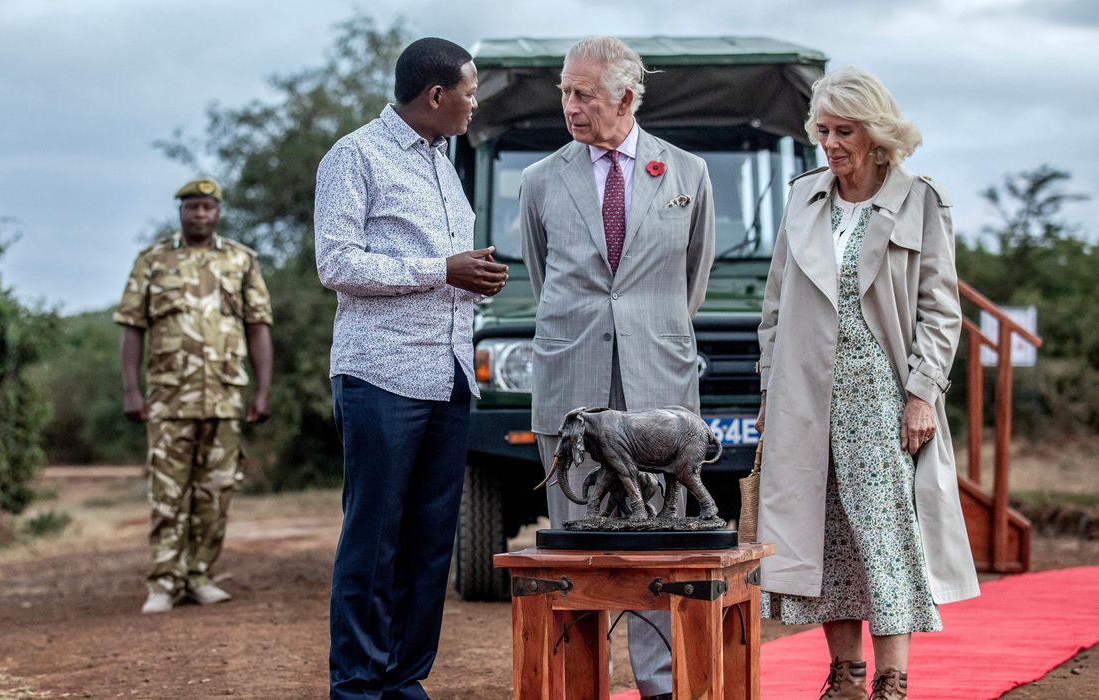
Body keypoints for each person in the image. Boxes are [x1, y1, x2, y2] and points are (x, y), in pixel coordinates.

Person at [756, 66, 979, 699]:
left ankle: (892, 682)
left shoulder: (921, 200)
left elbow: (941, 311)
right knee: (820, 537)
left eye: (844, 130)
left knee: (883, 536)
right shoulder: (802, 197)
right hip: (804, 396)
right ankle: (846, 677)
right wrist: (770, 393)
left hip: (880, 397)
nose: (831, 143)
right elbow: (775, 310)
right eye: (822, 130)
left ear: (876, 134)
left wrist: (922, 394)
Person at [519, 36, 715, 700]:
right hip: (571, 385)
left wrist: (641, 332)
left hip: (657, 386)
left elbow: (691, 281)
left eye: (584, 95)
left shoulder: (687, 173)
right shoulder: (539, 179)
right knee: (575, 545)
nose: (569, 107)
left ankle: (659, 687)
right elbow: (545, 275)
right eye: (564, 93)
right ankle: (577, 686)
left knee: (657, 546)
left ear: (626, 97)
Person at [314, 37, 508, 699]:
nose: (473, 102)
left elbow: (442, 270)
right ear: (435, 95)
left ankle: (402, 680)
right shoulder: (354, 156)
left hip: (449, 372)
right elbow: (336, 264)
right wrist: (440, 270)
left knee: (429, 544)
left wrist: (473, 279)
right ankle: (359, 686)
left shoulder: (446, 165)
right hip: (380, 377)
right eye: (469, 90)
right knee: (375, 538)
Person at [113, 178, 274, 615]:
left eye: (207, 207)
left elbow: (258, 326)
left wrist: (262, 389)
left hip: (224, 397)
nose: (200, 214)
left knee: (217, 491)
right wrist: (131, 390)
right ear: (180, 212)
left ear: (218, 212)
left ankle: (200, 574)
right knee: (168, 494)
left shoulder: (242, 261)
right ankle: (164, 581)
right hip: (168, 398)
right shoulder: (153, 261)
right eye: (192, 207)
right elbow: (132, 326)